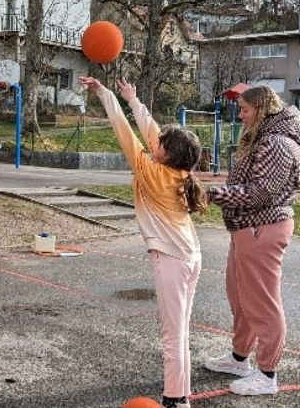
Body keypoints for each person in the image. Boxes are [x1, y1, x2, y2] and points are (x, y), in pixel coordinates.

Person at [79, 76, 207, 408]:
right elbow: (151, 132)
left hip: (173, 261)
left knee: (172, 336)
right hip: (189, 256)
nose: (155, 143)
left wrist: (105, 94)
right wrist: (132, 100)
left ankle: (175, 399)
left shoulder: (153, 173)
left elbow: (125, 132)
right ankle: (181, 395)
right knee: (180, 332)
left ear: (167, 154)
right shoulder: (178, 171)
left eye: (161, 144)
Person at [202, 85, 300, 396]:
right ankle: (239, 358)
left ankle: (267, 373)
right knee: (240, 296)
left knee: (262, 302)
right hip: (248, 228)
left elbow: (260, 193)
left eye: (245, 109)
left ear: (261, 109)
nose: (241, 115)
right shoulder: (265, 137)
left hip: (263, 228)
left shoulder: (276, 142)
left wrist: (212, 194)